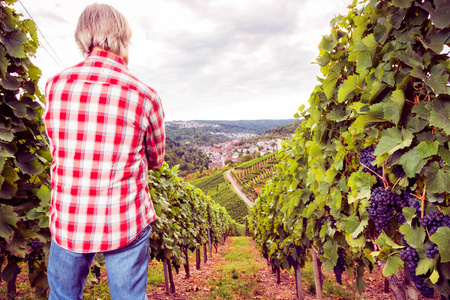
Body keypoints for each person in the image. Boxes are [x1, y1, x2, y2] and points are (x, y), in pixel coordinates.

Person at [42, 3, 165, 299]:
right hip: (125, 218)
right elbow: (156, 159)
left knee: (61, 296)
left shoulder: (54, 86)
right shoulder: (145, 95)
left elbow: (55, 145)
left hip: (70, 216)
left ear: (83, 38)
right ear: (124, 39)